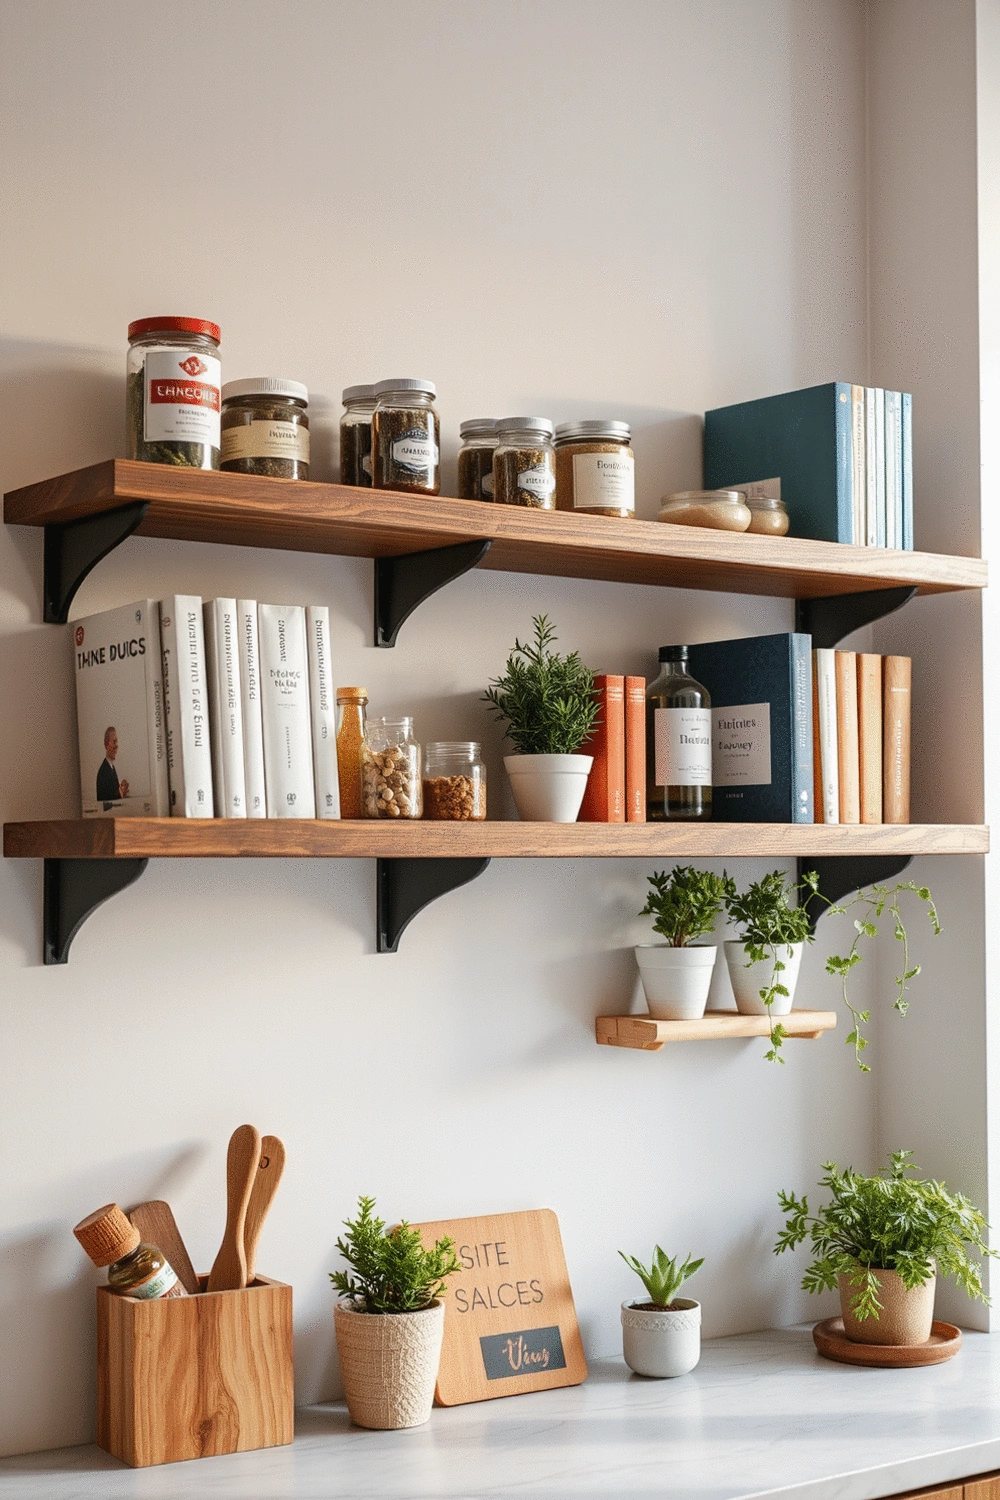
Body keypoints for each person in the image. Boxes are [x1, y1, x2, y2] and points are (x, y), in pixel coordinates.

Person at [96, 726, 129, 804]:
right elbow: (107, 804)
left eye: (117, 742)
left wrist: (121, 793)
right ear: (107, 744)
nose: (117, 745)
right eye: (114, 741)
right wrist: (120, 793)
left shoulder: (111, 768)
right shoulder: (104, 771)